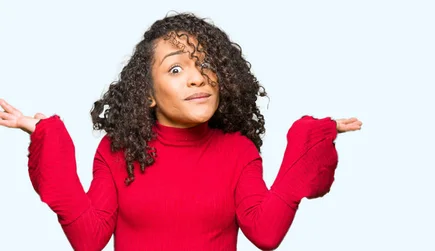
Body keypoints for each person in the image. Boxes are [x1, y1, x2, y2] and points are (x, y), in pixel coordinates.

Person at [0, 12, 362, 251]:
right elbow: (88, 237)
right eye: (175, 70)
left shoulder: (238, 151)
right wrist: (49, 138)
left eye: (206, 64)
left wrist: (307, 141)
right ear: (148, 94)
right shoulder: (117, 151)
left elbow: (266, 233)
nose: (197, 76)